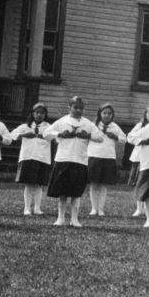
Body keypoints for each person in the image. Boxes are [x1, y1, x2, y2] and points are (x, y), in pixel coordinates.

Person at [43, 96, 97, 227]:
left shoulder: (88, 123)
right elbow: (46, 134)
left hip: (80, 161)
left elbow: (100, 136)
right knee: (62, 192)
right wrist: (60, 134)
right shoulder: (62, 122)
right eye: (75, 107)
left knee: (76, 192)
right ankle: (60, 218)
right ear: (69, 107)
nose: (78, 110)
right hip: (64, 160)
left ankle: (75, 219)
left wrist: (88, 135)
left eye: (81, 108)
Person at [10, 103, 52, 216]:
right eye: (37, 112)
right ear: (32, 113)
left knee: (39, 184)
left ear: (45, 115)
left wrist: (45, 136)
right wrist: (24, 135)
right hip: (28, 157)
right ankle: (27, 208)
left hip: (42, 158)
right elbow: (12, 135)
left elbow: (55, 137)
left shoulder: (49, 127)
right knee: (29, 184)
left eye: (42, 113)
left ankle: (37, 208)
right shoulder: (25, 126)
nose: (39, 115)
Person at [87, 103, 126, 216]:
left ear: (112, 115)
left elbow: (124, 139)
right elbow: (87, 136)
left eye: (109, 113)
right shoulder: (93, 125)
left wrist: (116, 137)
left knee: (103, 185)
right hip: (94, 155)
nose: (107, 115)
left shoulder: (114, 127)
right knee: (94, 184)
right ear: (100, 113)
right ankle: (94, 208)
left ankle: (101, 209)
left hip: (108, 157)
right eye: (104, 113)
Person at [126, 105, 149, 217]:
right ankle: (139, 208)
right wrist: (142, 141)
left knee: (148, 184)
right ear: (145, 114)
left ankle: (147, 208)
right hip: (139, 158)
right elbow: (131, 136)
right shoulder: (140, 125)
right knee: (139, 183)